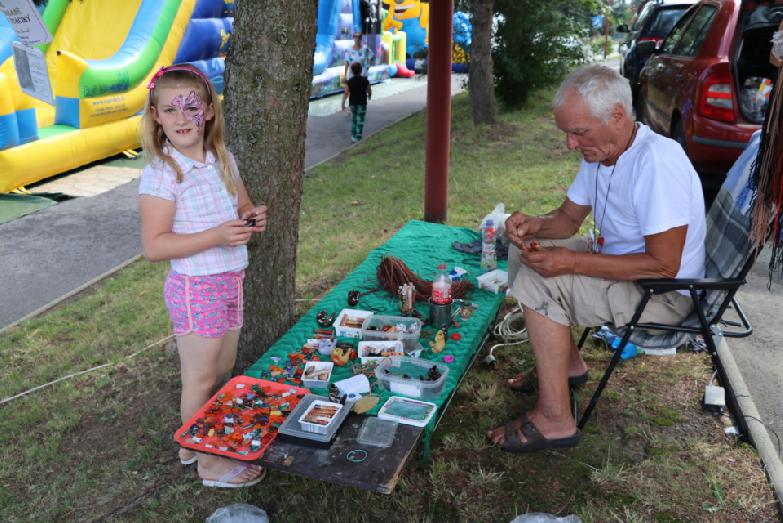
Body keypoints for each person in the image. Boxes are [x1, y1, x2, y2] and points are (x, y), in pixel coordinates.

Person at [487, 64, 706, 453]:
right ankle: (568, 367)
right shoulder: (601, 155)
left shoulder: (657, 162)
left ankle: (556, 419)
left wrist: (569, 264)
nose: (570, 144)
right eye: (567, 133)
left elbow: (663, 265)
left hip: (665, 293)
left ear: (617, 116)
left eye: (578, 132)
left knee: (541, 279)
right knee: (526, 259)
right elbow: (568, 220)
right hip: (626, 270)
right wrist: (533, 226)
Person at [138, 64, 268, 487]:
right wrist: (215, 235)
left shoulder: (222, 158)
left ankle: (195, 442)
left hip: (230, 280)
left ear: (209, 111)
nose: (181, 117)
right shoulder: (163, 172)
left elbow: (242, 205)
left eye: (190, 106)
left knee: (223, 370)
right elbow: (155, 246)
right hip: (196, 288)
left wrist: (251, 217)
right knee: (199, 377)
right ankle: (211, 465)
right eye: (170, 109)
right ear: (155, 116)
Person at [341, 61, 372, 143]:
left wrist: (343, 104)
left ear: (352, 71)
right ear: (361, 70)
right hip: (362, 103)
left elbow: (346, 93)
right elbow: (369, 90)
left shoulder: (349, 82)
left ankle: (353, 136)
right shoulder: (365, 81)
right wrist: (369, 96)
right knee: (360, 120)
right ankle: (358, 137)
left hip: (353, 103)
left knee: (355, 119)